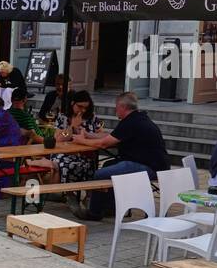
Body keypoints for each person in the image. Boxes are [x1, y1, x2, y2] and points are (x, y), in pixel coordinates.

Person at [73, 91, 171, 220]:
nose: (115, 110)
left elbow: (103, 144)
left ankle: (94, 213)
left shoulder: (131, 122)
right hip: (156, 164)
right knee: (109, 165)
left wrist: (81, 141)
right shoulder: (137, 118)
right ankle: (110, 207)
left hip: (149, 167)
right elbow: (112, 136)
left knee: (100, 175)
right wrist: (88, 135)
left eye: (116, 107)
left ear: (123, 107)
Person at [31, 91, 100, 183]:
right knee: (61, 164)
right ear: (72, 103)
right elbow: (59, 138)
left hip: (84, 155)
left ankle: (66, 192)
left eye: (86, 108)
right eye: (80, 106)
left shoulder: (92, 118)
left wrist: (88, 135)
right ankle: (63, 192)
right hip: (63, 153)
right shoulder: (63, 117)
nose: (83, 110)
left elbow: (102, 134)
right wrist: (71, 127)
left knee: (66, 165)